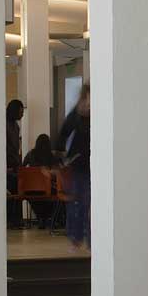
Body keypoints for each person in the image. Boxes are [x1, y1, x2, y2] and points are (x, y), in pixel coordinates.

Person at [58, 85, 91, 250]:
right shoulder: (76, 115)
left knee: (91, 204)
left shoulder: (98, 113)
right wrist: (63, 156)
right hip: (78, 165)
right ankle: (76, 238)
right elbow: (63, 134)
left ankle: (92, 241)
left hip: (95, 164)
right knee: (79, 202)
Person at [22, 133, 59, 226]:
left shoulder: (30, 154)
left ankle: (41, 217)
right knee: (56, 194)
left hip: (30, 189)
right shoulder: (51, 156)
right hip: (48, 189)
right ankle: (47, 218)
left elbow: (22, 167)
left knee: (34, 198)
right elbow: (56, 173)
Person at [6, 100, 25, 228]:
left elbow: (16, 146)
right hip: (6, 164)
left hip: (14, 163)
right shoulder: (3, 124)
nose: (22, 114)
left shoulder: (16, 126)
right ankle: (9, 219)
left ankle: (16, 220)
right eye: (21, 111)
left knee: (16, 191)